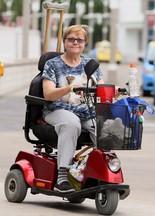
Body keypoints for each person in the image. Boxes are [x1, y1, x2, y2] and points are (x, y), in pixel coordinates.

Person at [42, 25, 118, 193]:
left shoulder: (90, 65)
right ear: (64, 42)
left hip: (86, 111)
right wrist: (69, 88)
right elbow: (48, 95)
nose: (75, 43)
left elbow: (100, 89)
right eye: (71, 39)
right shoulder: (52, 64)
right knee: (72, 124)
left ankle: (105, 170)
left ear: (85, 43)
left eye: (79, 40)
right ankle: (62, 176)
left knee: (105, 129)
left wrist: (115, 92)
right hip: (58, 109)